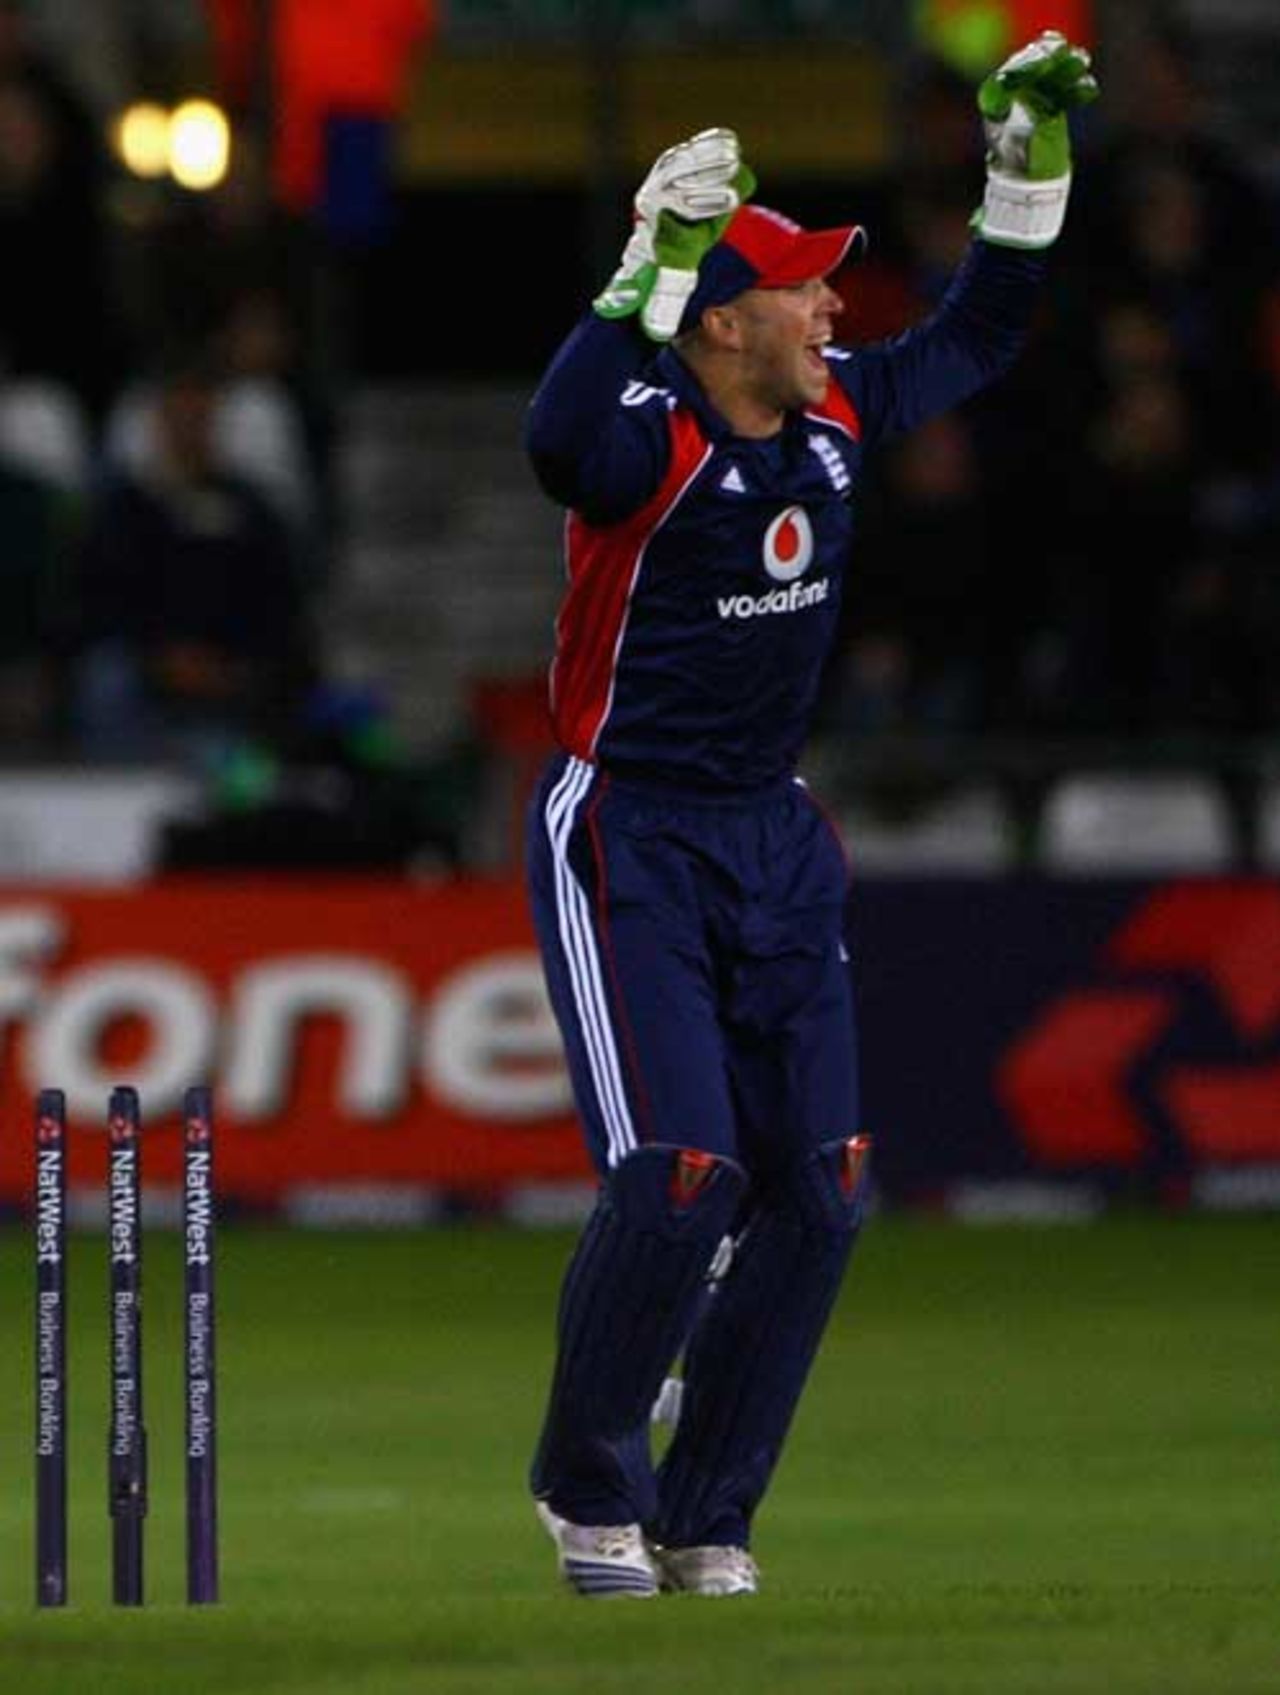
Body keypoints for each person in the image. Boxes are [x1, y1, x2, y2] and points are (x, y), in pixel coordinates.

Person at [523, 34, 1097, 1599]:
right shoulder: (649, 437)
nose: (838, 308)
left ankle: (710, 1513)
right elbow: (556, 442)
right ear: (724, 322)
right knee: (681, 1172)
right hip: (625, 832)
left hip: (773, 836)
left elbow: (983, 326)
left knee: (826, 1186)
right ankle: (588, 1489)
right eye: (804, 289)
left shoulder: (836, 411)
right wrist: (641, 262)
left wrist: (1023, 159)